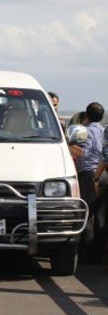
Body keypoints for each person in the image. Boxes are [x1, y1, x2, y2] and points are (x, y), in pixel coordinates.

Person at [68, 102, 105, 263]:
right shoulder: (104, 131)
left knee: (87, 214)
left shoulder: (85, 131)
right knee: (100, 215)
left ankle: (87, 253)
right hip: (102, 174)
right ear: (102, 117)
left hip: (89, 175)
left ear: (86, 116)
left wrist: (69, 145)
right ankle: (98, 252)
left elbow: (85, 152)